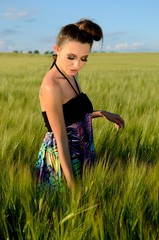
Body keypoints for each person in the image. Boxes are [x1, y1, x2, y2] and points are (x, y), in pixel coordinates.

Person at [36, 18, 125, 191]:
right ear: (57, 49)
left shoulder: (71, 74)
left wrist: (101, 113)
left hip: (82, 149)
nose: (77, 65)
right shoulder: (51, 85)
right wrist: (70, 181)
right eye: (71, 57)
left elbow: (73, 116)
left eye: (84, 58)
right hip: (64, 159)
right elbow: (61, 137)